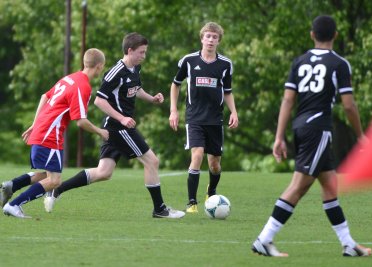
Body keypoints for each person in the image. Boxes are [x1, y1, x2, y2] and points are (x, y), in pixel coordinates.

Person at [251, 15, 372, 257]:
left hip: (301, 127)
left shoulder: (299, 61)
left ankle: (348, 243)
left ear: (312, 35)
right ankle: (264, 239)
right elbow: (348, 106)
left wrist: (279, 137)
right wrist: (361, 135)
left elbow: (287, 99)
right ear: (335, 35)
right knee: (298, 186)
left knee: (329, 186)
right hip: (318, 130)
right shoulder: (339, 64)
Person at [42, 32, 185, 219]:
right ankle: (159, 209)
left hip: (117, 127)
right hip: (119, 126)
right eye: (141, 52)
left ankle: (57, 190)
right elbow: (99, 101)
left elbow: (136, 89)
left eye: (145, 52)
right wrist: (122, 118)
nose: (144, 56)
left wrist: (152, 99)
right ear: (130, 50)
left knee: (104, 172)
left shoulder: (135, 69)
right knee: (152, 161)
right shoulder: (115, 72)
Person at [2, 48, 109, 218]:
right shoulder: (83, 86)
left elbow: (45, 96)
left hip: (43, 130)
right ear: (99, 66)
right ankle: (13, 205)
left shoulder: (69, 78)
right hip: (50, 135)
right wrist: (100, 132)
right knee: (54, 180)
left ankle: (12, 185)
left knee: (47, 175)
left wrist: (35, 123)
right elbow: (81, 121)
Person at [169, 22, 239, 213]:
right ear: (202, 38)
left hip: (215, 119)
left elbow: (228, 91)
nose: (210, 40)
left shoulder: (225, 64)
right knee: (197, 154)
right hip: (194, 118)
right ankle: (191, 202)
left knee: (214, 164)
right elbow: (175, 84)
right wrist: (173, 110)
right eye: (207, 36)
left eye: (214, 37)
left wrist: (234, 111)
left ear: (218, 41)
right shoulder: (189, 61)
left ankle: (212, 190)